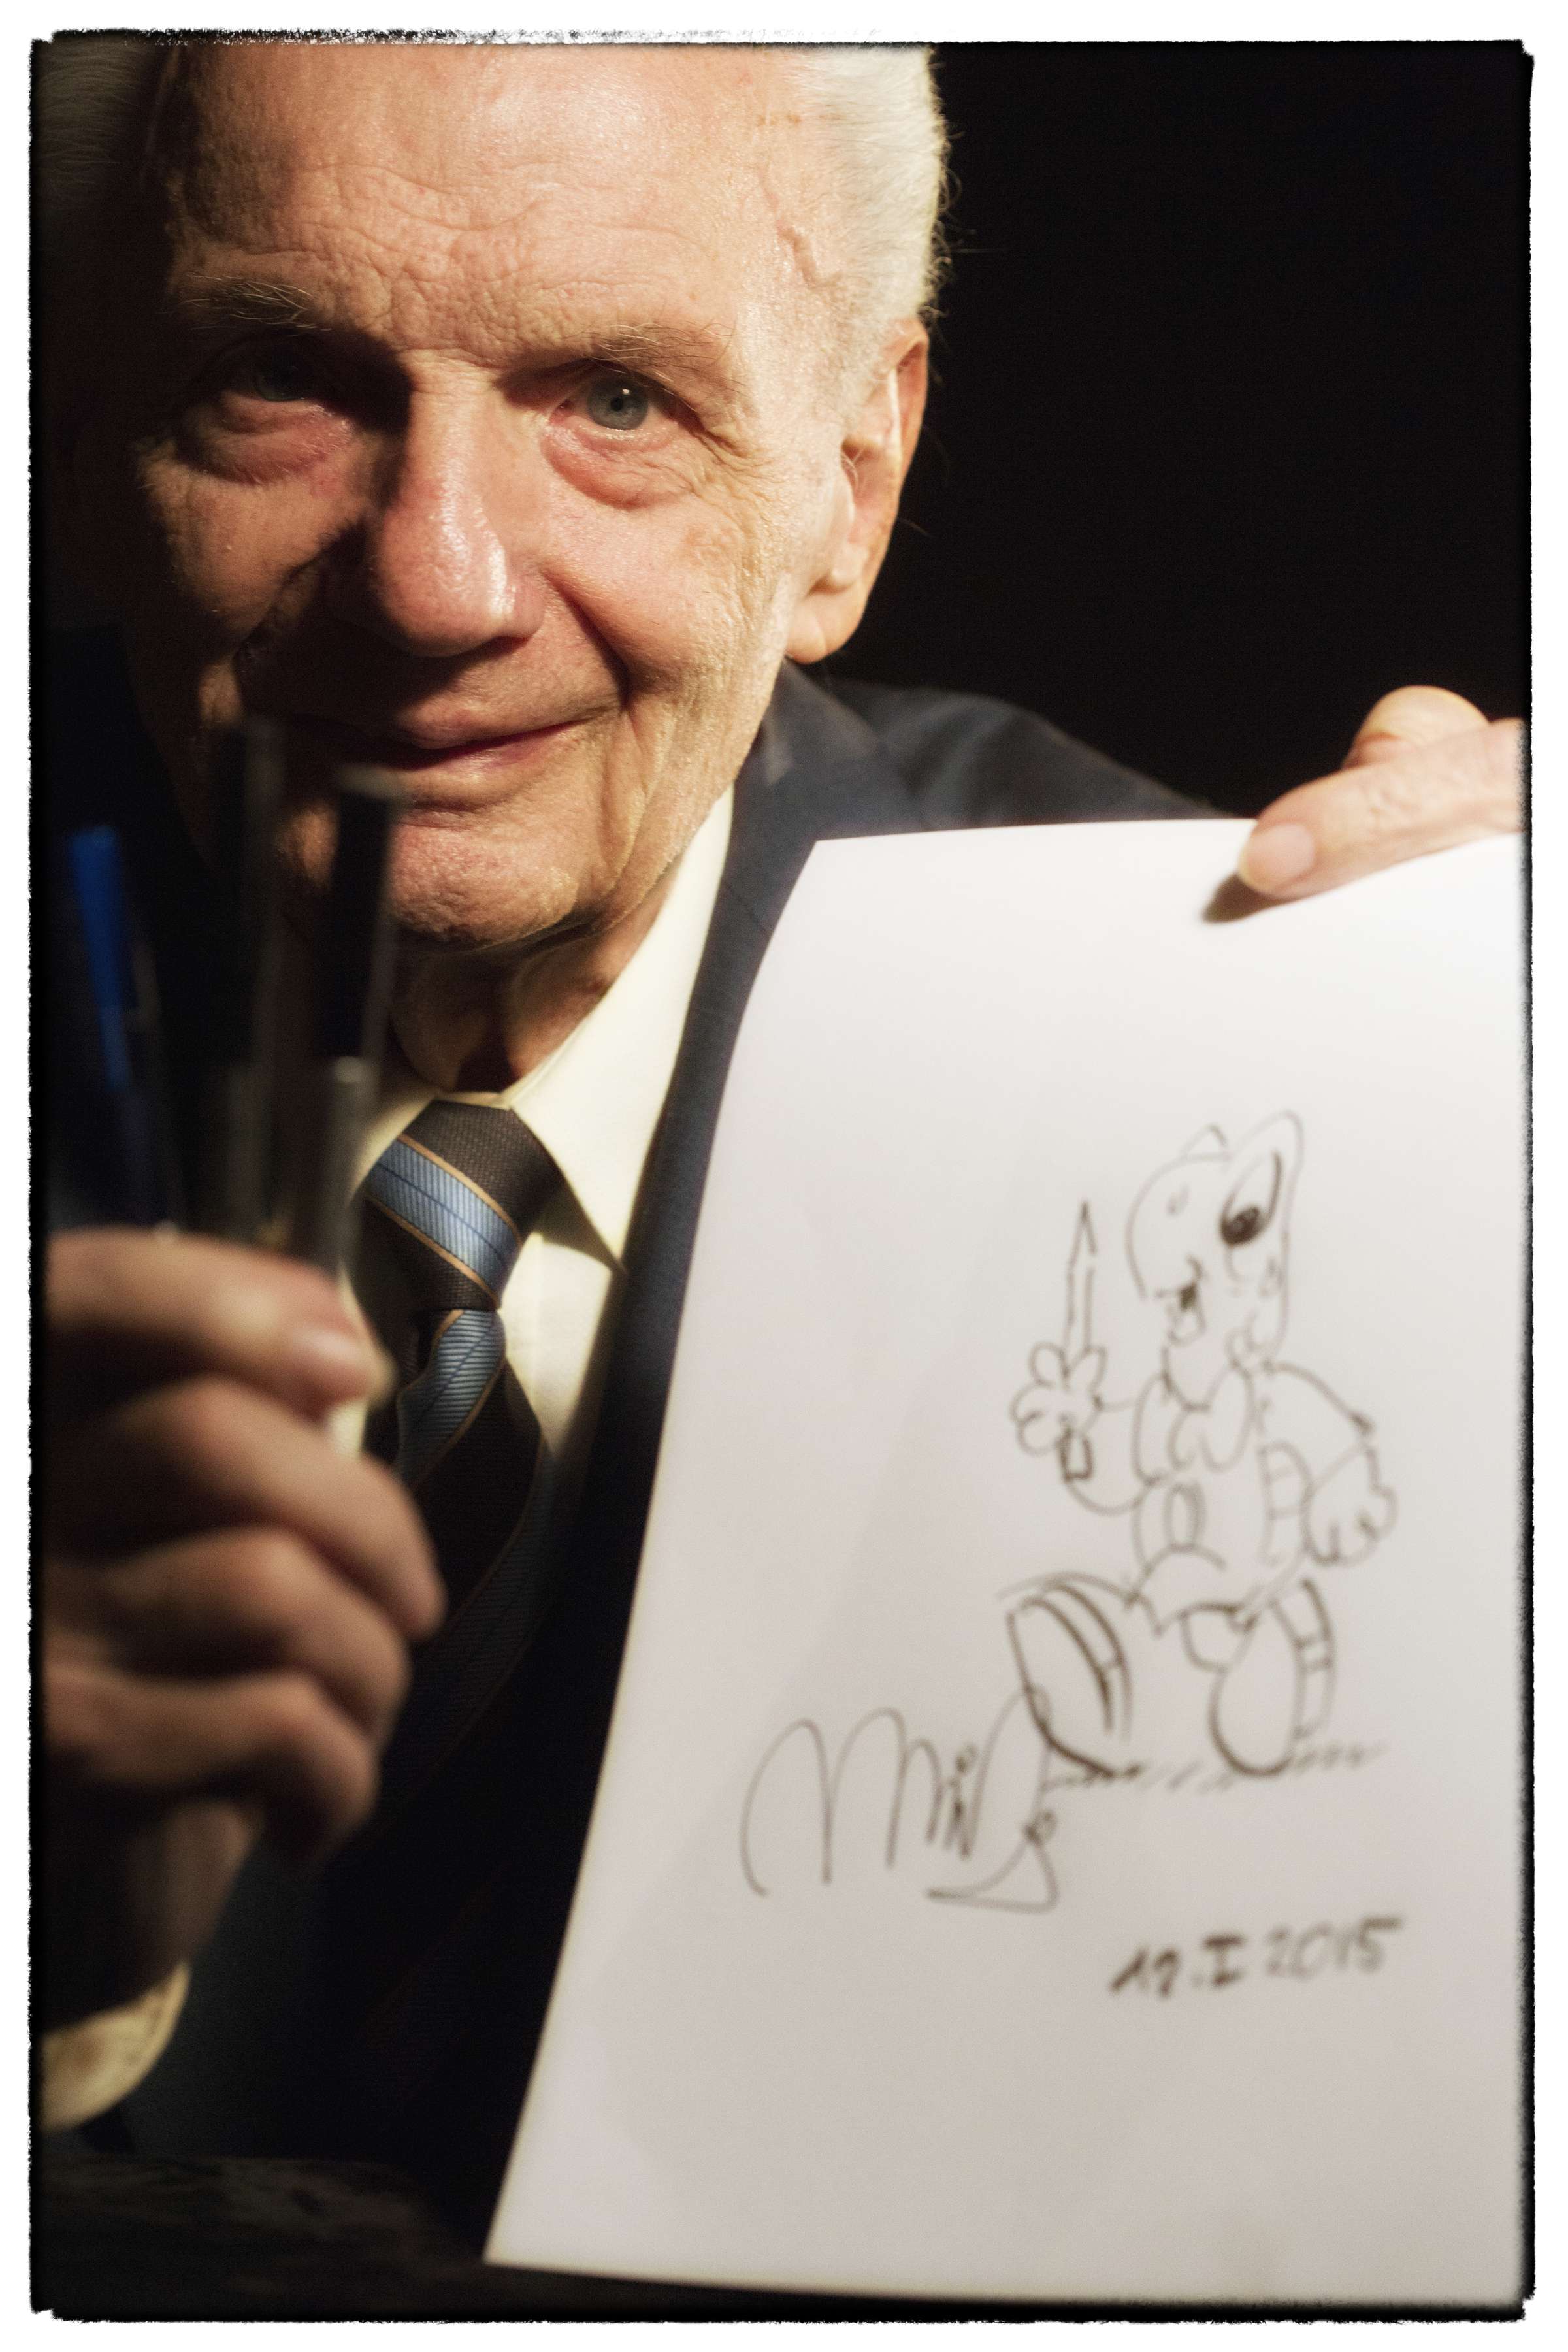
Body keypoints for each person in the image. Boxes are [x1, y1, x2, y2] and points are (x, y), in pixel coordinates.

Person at [38, 38, 1522, 2235]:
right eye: (284, 379)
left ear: (848, 487)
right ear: (82, 428)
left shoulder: (1257, 1071)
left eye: (613, 400)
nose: (437, 579)